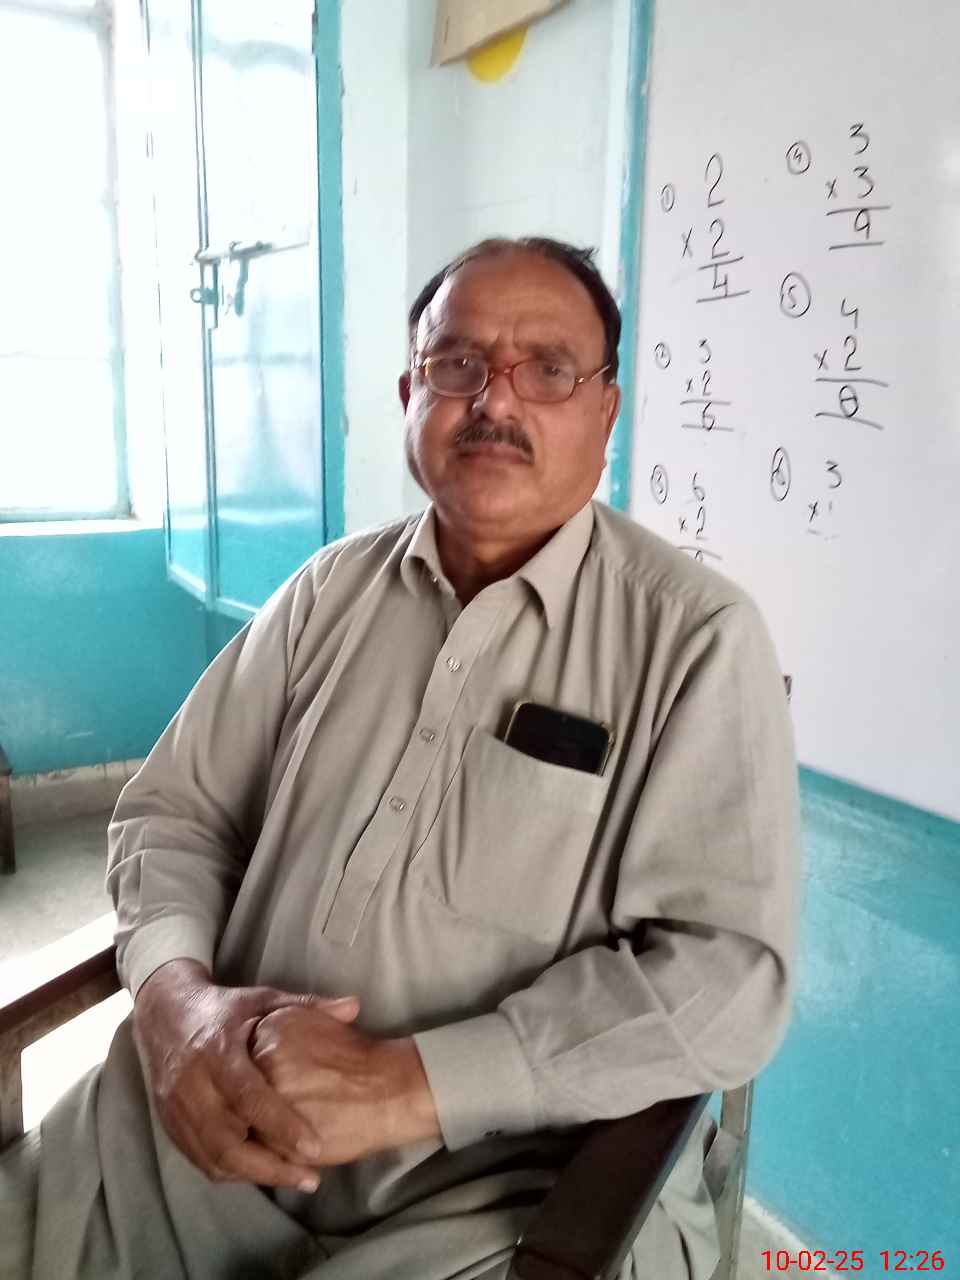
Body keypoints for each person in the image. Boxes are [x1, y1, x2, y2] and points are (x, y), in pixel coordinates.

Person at [0, 236, 800, 1279]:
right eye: (457, 362)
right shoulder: (327, 592)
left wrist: (412, 1083)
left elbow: (728, 972)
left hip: (494, 1193)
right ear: (410, 394)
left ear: (606, 412)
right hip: (200, 1122)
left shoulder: (694, 639)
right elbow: (174, 811)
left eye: (548, 368)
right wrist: (174, 1003)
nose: (494, 400)